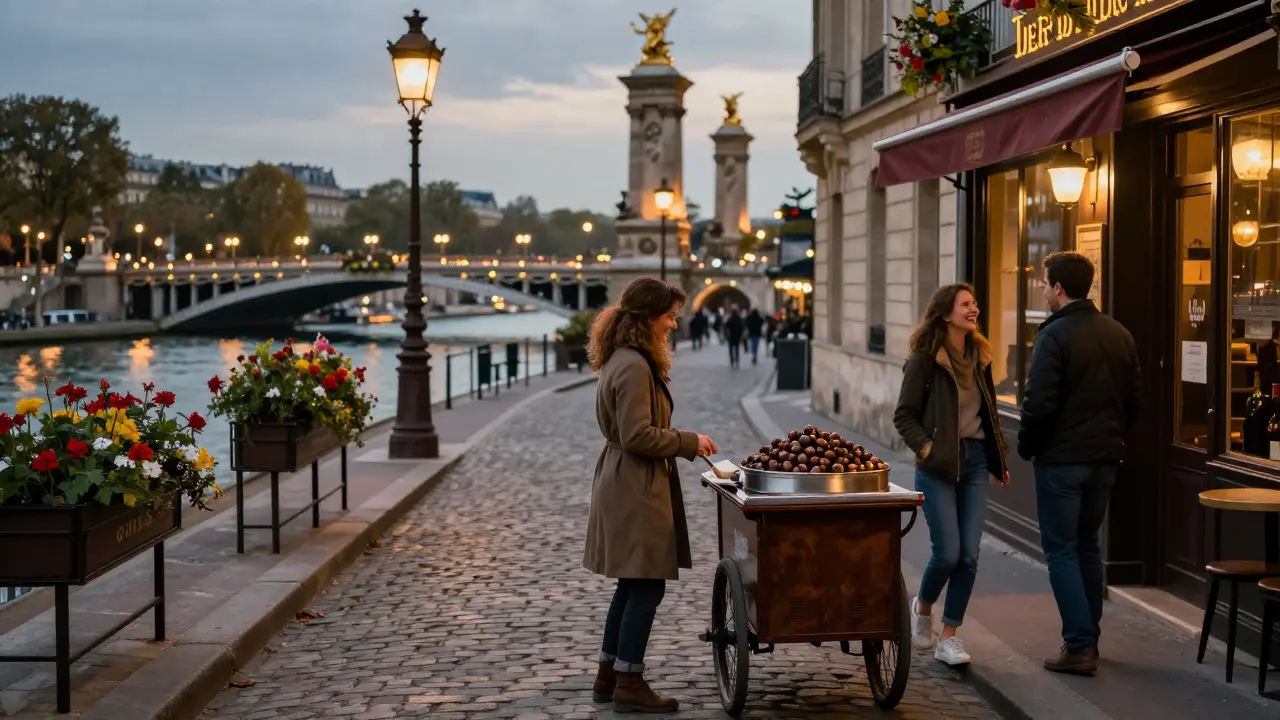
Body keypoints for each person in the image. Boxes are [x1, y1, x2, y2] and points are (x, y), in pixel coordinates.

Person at [582, 276, 719, 713]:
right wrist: (689, 442)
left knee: (632, 583)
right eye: (668, 316)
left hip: (627, 481)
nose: (674, 325)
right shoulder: (634, 366)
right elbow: (637, 434)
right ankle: (629, 682)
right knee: (645, 587)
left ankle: (609, 675)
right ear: (647, 319)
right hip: (635, 487)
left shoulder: (622, 359)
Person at [1019, 251, 1141, 676]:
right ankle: (1089, 637)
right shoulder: (1119, 333)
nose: (1044, 288)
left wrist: (1026, 446)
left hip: (1062, 461)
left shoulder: (1054, 336)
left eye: (1046, 282)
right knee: (1088, 546)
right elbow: (1135, 401)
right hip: (1105, 458)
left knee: (1062, 551)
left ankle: (1079, 645)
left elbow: (1037, 404)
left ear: (1057, 287)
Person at [893, 283, 1010, 667]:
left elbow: (989, 413)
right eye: (965, 304)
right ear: (945, 314)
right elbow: (904, 416)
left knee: (970, 556)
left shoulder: (981, 355)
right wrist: (928, 449)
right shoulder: (924, 360)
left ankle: (950, 637)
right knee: (947, 553)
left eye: (975, 302)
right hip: (938, 467)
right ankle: (923, 607)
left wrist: (998, 460)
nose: (974, 308)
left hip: (974, 461)